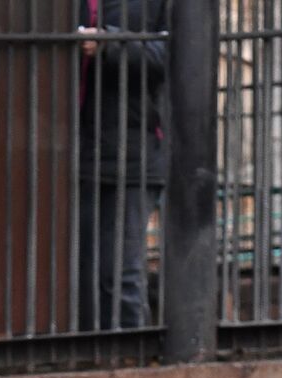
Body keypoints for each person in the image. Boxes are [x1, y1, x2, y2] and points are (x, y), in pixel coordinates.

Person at [77, 0, 168, 331]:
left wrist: (108, 43)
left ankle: (132, 357)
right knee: (76, 272)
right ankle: (85, 358)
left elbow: (172, 52)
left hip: (133, 154)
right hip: (67, 151)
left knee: (118, 273)